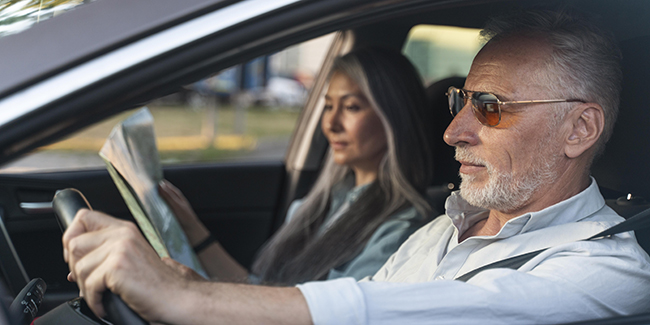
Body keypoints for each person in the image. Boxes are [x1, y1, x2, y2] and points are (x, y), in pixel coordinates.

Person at [61, 10, 650, 325]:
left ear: (581, 130)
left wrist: (191, 302)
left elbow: (401, 313)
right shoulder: (447, 225)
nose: (453, 130)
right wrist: (193, 287)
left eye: (490, 108)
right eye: (460, 101)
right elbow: (360, 294)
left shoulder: (611, 273)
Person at [158, 47, 435, 285]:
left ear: (394, 118)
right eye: (328, 106)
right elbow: (261, 293)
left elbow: (329, 315)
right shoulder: (316, 206)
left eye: (351, 107)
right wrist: (192, 229)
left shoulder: (401, 230)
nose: (331, 124)